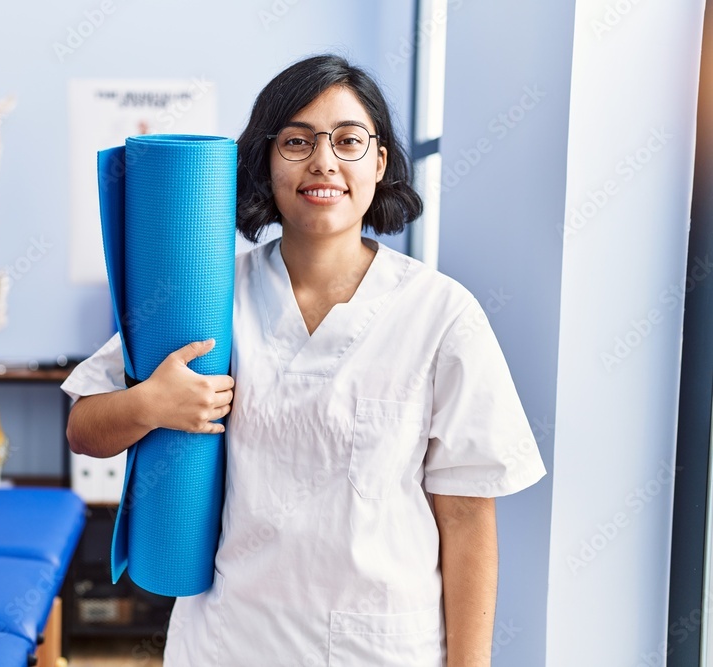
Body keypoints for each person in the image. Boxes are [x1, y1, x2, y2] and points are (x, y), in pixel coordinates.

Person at [61, 54, 547, 667]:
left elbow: (468, 516)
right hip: (231, 641)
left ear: (380, 161)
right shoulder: (208, 295)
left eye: (348, 140)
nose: (323, 161)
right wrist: (148, 404)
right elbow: (83, 428)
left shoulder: (441, 314)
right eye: (296, 141)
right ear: (264, 161)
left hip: (382, 648)